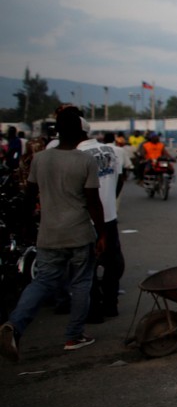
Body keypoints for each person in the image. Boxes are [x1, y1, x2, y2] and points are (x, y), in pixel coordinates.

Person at [0, 107, 105, 361]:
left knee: (43, 281)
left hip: (48, 233)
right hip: (79, 232)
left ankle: (15, 325)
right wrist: (102, 234)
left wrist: (25, 224)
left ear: (57, 132)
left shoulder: (41, 159)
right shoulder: (85, 160)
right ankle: (74, 336)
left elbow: (29, 197)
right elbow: (93, 202)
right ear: (80, 132)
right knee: (80, 282)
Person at [77, 130, 126, 320]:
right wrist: (110, 201)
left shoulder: (75, 155)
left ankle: (94, 309)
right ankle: (111, 304)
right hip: (109, 218)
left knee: (86, 266)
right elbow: (120, 180)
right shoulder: (111, 151)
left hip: (85, 220)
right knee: (113, 264)